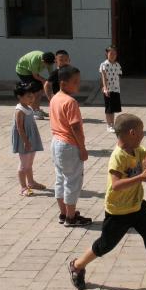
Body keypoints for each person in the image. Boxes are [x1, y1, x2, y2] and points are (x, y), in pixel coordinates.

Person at [67, 113, 146, 290]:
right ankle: (77, 265)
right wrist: (141, 177)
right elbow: (116, 185)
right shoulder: (118, 157)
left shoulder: (138, 150)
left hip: (137, 206)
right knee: (106, 245)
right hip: (118, 211)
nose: (143, 135)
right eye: (142, 132)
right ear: (132, 133)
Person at [50, 65, 92, 227]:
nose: (77, 85)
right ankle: (71, 217)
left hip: (56, 143)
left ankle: (64, 213)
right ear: (63, 83)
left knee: (60, 178)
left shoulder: (55, 98)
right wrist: (82, 148)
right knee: (72, 181)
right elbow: (75, 127)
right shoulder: (70, 102)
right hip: (69, 145)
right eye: (74, 82)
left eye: (78, 81)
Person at [11, 82, 46, 197]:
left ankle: (31, 182)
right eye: (28, 96)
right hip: (24, 141)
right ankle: (23, 187)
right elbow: (19, 128)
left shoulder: (29, 107)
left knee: (29, 164)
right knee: (23, 165)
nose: (31, 98)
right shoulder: (19, 110)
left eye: (32, 95)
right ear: (19, 97)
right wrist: (26, 141)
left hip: (31, 139)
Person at [15, 50, 55, 120]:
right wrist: (46, 81)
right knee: (35, 90)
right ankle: (33, 111)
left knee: (41, 89)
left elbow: (52, 75)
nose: (48, 66)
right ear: (42, 61)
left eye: (50, 64)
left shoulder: (49, 62)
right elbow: (35, 76)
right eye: (46, 64)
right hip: (23, 71)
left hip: (31, 72)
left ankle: (37, 109)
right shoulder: (35, 60)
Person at [99, 46, 123, 133]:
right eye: (111, 53)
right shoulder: (104, 65)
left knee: (113, 108)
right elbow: (103, 77)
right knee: (108, 108)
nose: (113, 55)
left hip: (116, 89)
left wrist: (118, 87)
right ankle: (109, 125)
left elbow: (118, 77)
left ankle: (112, 124)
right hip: (108, 89)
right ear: (107, 54)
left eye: (115, 53)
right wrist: (105, 88)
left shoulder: (117, 65)